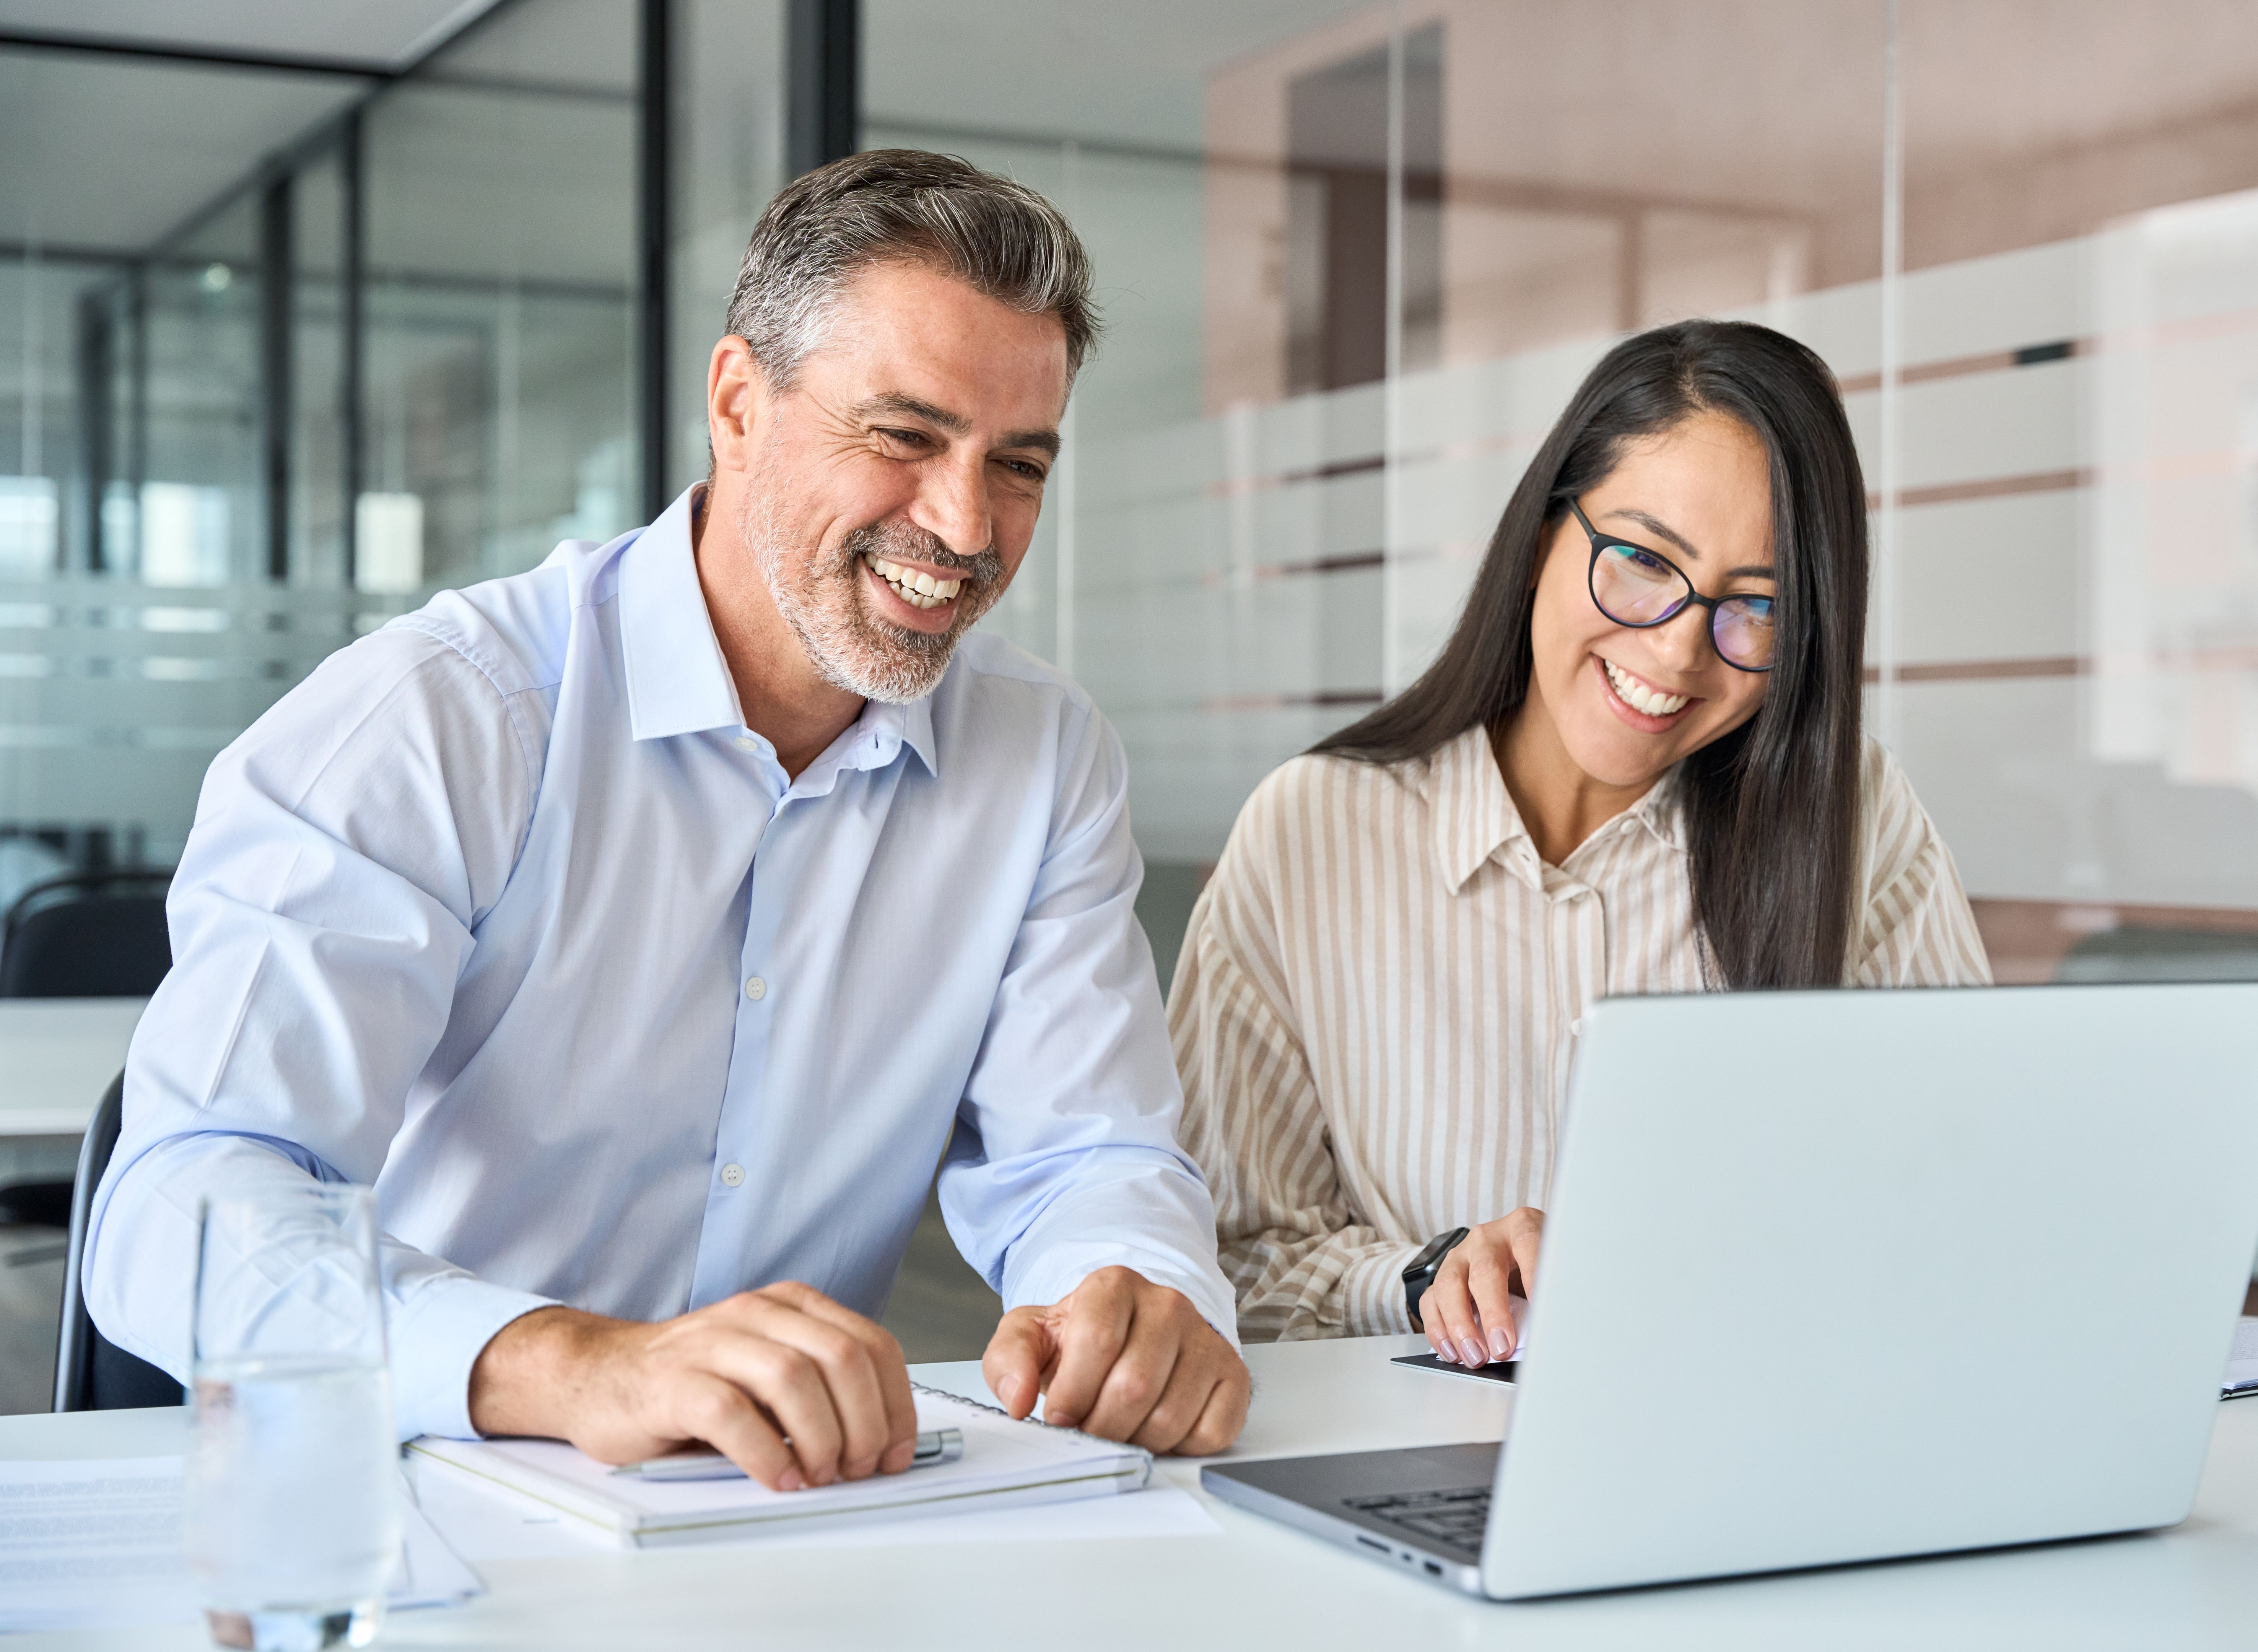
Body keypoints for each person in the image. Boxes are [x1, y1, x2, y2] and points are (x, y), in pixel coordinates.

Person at [87, 151, 1248, 1486]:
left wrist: (1136, 1294)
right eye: (906, 436)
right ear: (739, 404)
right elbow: (181, 1208)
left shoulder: (1044, 760)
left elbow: (1087, 1154)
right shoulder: (443, 716)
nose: (964, 524)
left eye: (1020, 465)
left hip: (785, 1514)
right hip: (404, 1491)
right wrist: (576, 1363)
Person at [1170, 319, 1990, 1366]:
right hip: (1427, 1454)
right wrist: (1430, 1278)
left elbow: (1960, 1211)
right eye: (1645, 561)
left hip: (1755, 1446)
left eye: (1759, 608)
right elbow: (1225, 1269)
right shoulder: (1313, 833)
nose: (1680, 649)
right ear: (1539, 540)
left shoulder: (1856, 823)